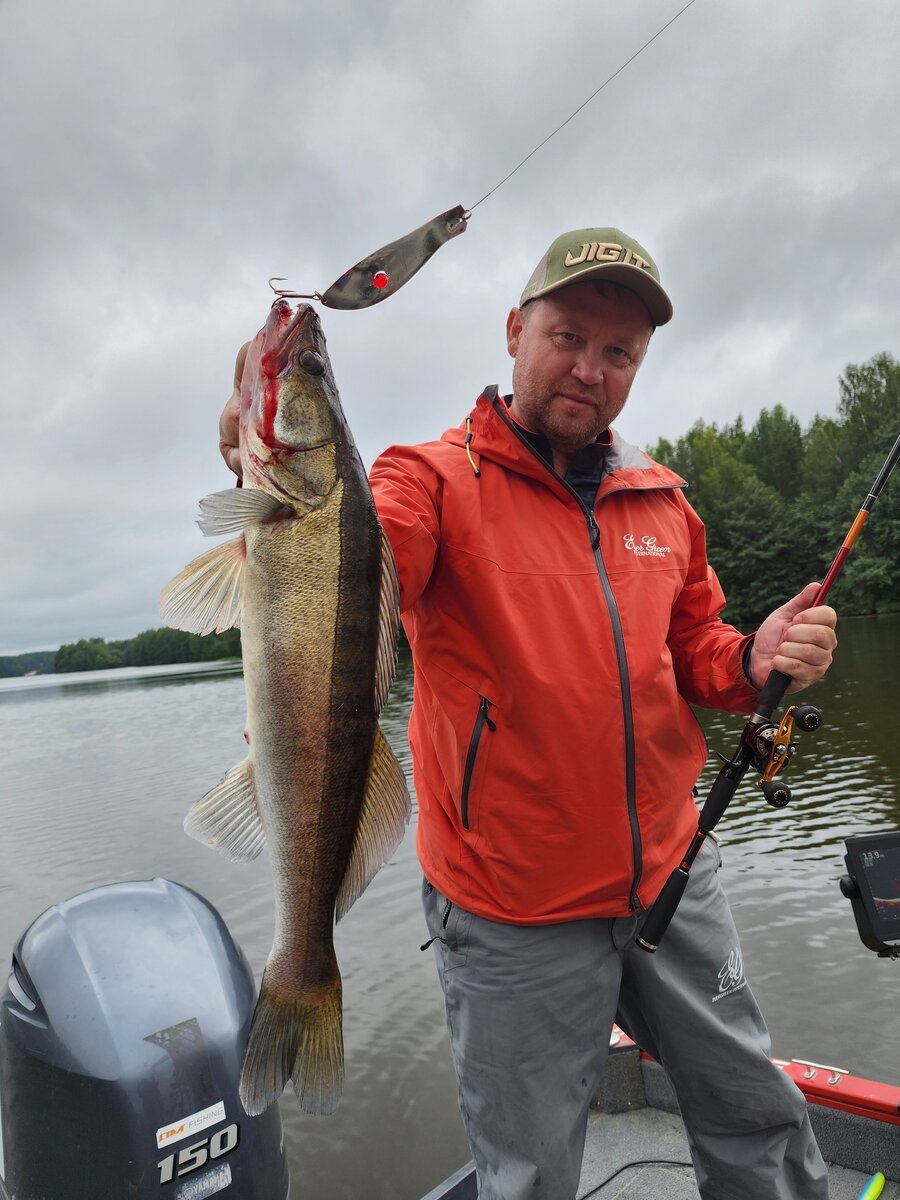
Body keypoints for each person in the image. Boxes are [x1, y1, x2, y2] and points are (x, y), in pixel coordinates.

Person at [219, 227, 838, 1200]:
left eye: (619, 351)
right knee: (530, 1172)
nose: (590, 369)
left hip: (674, 879)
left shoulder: (665, 502)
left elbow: (698, 661)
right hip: (510, 914)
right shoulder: (423, 482)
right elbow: (355, 572)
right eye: (567, 336)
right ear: (514, 330)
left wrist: (752, 659)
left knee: (757, 1116)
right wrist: (250, 464)